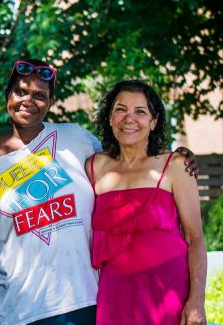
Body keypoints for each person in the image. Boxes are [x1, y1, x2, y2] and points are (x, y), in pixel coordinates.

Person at [0, 59, 198, 325]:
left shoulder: (76, 139)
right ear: (8, 95)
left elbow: (126, 160)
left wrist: (172, 157)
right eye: (20, 91)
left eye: (39, 95)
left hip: (89, 300)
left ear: (51, 102)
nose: (28, 101)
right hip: (22, 310)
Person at [87, 80, 206, 325]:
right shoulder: (92, 166)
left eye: (140, 111)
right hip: (113, 297)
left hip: (169, 295)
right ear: (109, 118)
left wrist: (196, 302)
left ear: (153, 122)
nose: (129, 118)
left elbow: (196, 238)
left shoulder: (174, 166)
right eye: (120, 109)